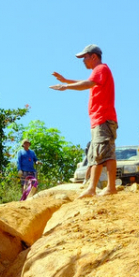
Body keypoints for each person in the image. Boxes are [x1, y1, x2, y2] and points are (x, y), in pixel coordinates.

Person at [50, 44, 118, 198]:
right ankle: (97, 188)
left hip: (103, 118)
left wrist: (66, 86)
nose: (83, 61)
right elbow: (87, 82)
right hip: (100, 119)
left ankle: (103, 188)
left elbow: (87, 84)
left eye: (85, 57)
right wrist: (66, 80)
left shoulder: (100, 69)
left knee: (103, 153)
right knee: (99, 153)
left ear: (93, 56)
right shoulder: (99, 72)